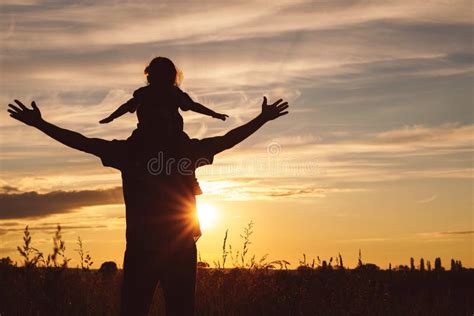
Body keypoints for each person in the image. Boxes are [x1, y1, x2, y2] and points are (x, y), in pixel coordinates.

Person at [7, 96, 288, 316]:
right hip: (157, 249)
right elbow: (83, 143)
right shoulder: (158, 151)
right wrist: (40, 125)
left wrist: (261, 119)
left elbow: (84, 143)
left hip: (161, 249)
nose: (164, 121)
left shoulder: (143, 151)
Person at [98, 57, 229, 133]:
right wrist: (112, 117)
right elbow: (128, 106)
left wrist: (214, 114)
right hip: (149, 134)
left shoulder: (172, 93)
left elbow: (194, 106)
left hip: (171, 134)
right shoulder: (146, 93)